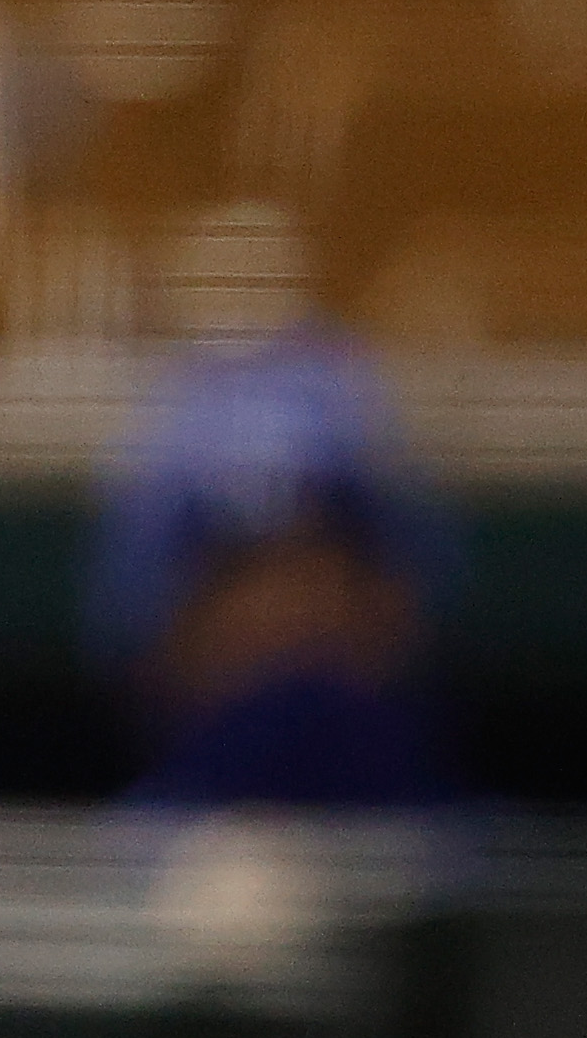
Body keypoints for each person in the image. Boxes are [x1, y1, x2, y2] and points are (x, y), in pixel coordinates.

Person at [86, 331, 461, 809]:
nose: (291, 618)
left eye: (323, 574)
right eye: (238, 578)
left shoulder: (501, 866)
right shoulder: (105, 873)